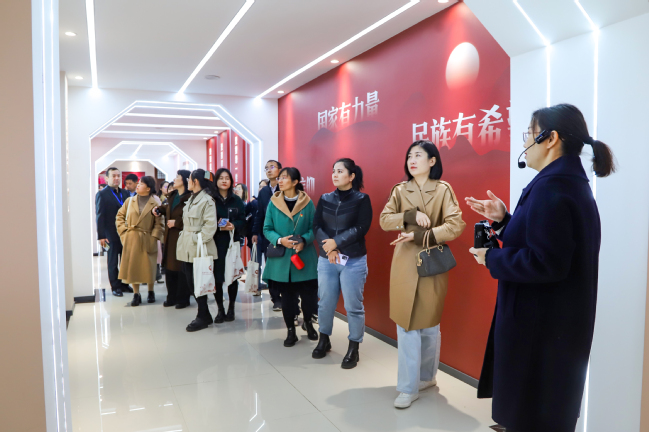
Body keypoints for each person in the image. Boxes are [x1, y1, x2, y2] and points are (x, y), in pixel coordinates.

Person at [466, 104, 615, 432]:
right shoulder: (564, 183)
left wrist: (491, 259)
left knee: (533, 415)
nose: (525, 143)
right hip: (551, 328)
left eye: (530, 134)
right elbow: (544, 243)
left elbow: (546, 263)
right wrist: (504, 221)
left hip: (539, 332)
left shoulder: (552, 188)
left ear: (551, 139)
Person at [380, 140, 466, 409]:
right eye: (409, 156)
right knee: (406, 325)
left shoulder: (442, 189)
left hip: (432, 262)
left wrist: (423, 235)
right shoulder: (399, 190)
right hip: (404, 263)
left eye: (418, 155)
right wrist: (409, 215)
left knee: (430, 325)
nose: (412, 160)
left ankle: (427, 377)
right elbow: (384, 220)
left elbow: (456, 225)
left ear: (432, 161)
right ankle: (408, 388)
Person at [312, 158, 372, 369]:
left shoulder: (361, 199)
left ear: (351, 176)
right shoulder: (325, 198)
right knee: (325, 302)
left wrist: (336, 242)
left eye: (340, 171)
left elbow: (361, 227)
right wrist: (330, 248)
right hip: (327, 258)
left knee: (353, 306)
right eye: (333, 171)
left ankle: (354, 346)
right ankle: (324, 339)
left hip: (353, 259)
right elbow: (317, 226)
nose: (335, 175)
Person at [262, 167, 319, 347]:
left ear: (295, 182)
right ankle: (290, 331)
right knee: (287, 297)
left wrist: (304, 240)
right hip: (282, 258)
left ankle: (308, 322)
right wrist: (280, 240)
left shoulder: (307, 202)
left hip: (304, 256)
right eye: (279, 177)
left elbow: (314, 228)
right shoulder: (273, 202)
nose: (280, 180)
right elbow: (267, 229)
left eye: (284, 178)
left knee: (308, 296)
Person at [176, 169, 218, 332]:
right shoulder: (192, 198)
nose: (188, 182)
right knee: (191, 282)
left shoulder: (207, 201)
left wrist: (195, 239)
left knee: (199, 282)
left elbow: (210, 227)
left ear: (196, 181)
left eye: (190, 179)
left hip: (199, 248)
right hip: (187, 247)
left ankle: (202, 315)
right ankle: (205, 314)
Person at [115, 176, 165, 306]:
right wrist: (124, 233)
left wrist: (154, 237)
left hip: (147, 237)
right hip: (131, 238)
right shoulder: (129, 201)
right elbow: (119, 216)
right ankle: (136, 294)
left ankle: (150, 291)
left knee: (149, 266)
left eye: (141, 184)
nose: (138, 185)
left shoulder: (155, 203)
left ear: (148, 188)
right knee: (134, 268)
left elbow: (159, 223)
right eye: (139, 183)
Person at [205, 168, 246, 323]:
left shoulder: (237, 200)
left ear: (231, 181)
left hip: (231, 243)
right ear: (216, 181)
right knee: (217, 278)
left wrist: (233, 225)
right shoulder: (210, 200)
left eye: (227, 178)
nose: (224, 181)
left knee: (232, 276)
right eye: (221, 178)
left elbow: (243, 220)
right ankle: (220, 309)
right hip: (214, 243)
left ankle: (231, 308)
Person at [153, 170, 192, 308]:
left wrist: (177, 223)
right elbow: (169, 208)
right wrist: (159, 209)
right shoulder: (173, 195)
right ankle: (171, 297)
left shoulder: (190, 198)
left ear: (185, 180)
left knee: (181, 269)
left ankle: (183, 299)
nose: (174, 179)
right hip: (170, 237)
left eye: (177, 177)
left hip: (182, 237)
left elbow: (193, 218)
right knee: (170, 268)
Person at [95, 167, 132, 296]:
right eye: (113, 176)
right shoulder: (102, 194)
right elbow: (100, 216)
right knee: (112, 261)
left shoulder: (125, 193)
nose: (116, 178)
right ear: (107, 178)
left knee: (125, 259)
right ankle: (115, 286)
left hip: (125, 232)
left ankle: (124, 284)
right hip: (110, 233)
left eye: (118, 175)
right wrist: (101, 236)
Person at [252, 161, 283, 311]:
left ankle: (288, 297)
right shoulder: (264, 191)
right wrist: (255, 232)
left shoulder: (285, 187)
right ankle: (275, 298)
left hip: (284, 234)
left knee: (283, 267)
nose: (269, 170)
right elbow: (259, 213)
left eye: (272, 167)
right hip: (267, 234)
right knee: (270, 266)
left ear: (280, 170)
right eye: (266, 168)